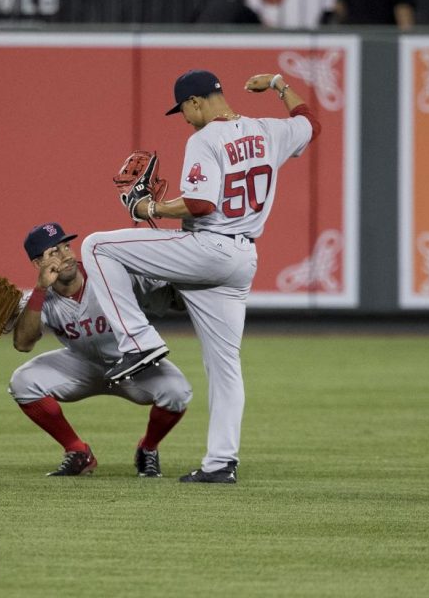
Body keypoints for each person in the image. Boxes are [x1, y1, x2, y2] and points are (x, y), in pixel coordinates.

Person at [80, 69, 321, 483]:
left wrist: (149, 210)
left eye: (184, 111)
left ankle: (138, 342)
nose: (185, 119)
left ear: (195, 102)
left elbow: (200, 204)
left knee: (96, 247)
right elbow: (310, 122)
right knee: (226, 368)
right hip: (242, 258)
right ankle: (220, 464)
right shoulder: (269, 131)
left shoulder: (204, 139)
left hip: (209, 246)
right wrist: (280, 84)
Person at [10, 222, 192, 477]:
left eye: (66, 246)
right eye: (54, 252)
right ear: (37, 264)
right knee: (22, 382)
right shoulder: (40, 299)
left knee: (177, 392)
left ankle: (148, 449)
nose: (66, 256)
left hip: (133, 364)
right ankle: (78, 452)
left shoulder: (108, 274)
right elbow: (23, 343)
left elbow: (170, 298)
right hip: (82, 365)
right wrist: (40, 290)